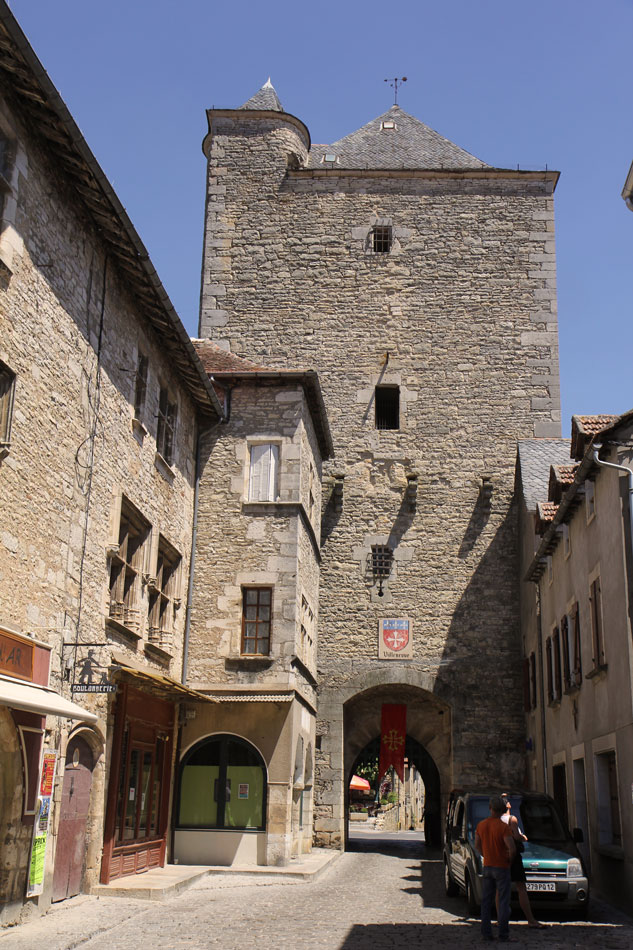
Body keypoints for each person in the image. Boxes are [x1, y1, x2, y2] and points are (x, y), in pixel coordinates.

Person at [498, 794, 546, 929]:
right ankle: (530, 919)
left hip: (501, 855)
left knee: (499, 889)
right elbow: (515, 836)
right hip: (513, 854)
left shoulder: (496, 820)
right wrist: (523, 837)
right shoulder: (511, 819)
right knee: (521, 888)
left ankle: (500, 919)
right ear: (507, 805)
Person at [474, 795, 515, 942]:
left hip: (488, 866)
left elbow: (477, 845)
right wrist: (509, 859)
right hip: (501, 866)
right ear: (503, 810)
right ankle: (503, 934)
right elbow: (511, 847)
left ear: (490, 809)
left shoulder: (481, 825)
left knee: (486, 902)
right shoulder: (503, 827)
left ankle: (486, 933)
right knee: (503, 901)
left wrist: (485, 854)